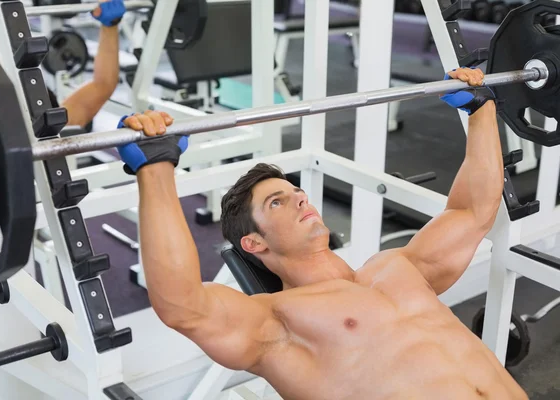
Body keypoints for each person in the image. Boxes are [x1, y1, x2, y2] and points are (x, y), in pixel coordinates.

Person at [116, 68, 528, 399]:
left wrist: (481, 111)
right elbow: (184, 308)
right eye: (276, 202)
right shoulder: (280, 321)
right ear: (254, 243)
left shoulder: (399, 266)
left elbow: (471, 211)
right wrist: (156, 169)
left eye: (296, 192)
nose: (300, 199)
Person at [47, 0, 125, 128]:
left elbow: (103, 85)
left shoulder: (51, 124)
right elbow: (103, 85)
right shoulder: (48, 127)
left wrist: (110, 25)